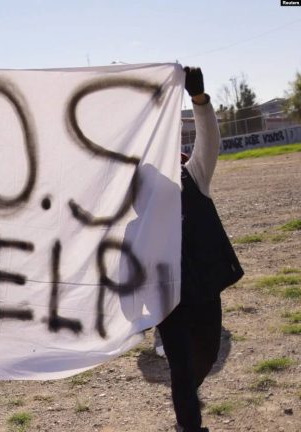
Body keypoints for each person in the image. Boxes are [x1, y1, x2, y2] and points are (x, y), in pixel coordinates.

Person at [156, 66, 244, 432]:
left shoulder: (193, 176)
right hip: (165, 292)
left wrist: (200, 101)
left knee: (206, 355)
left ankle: (186, 395)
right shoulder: (135, 190)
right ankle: (189, 426)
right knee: (181, 365)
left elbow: (209, 142)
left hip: (203, 286)